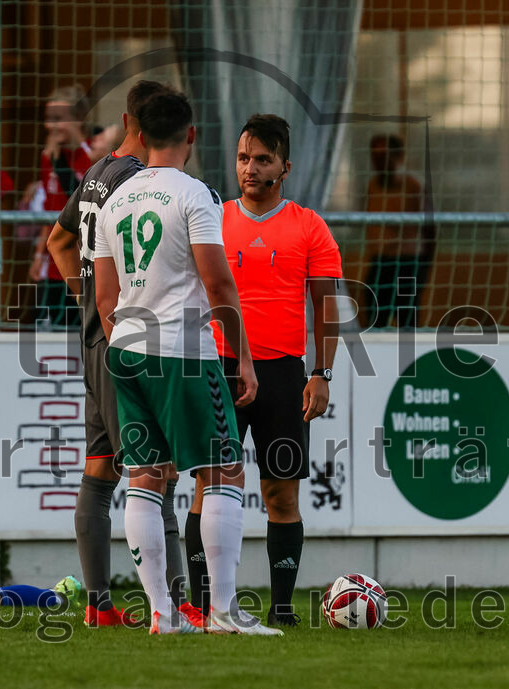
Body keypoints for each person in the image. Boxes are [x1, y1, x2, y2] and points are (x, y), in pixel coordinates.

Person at [93, 87, 281, 635]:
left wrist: (129, 338)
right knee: (224, 470)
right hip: (180, 350)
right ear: (191, 137)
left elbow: (105, 299)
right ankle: (222, 612)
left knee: (147, 477)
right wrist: (242, 358)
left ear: (140, 136)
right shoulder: (195, 195)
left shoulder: (115, 200)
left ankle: (161, 614)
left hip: (125, 348)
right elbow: (219, 282)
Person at [47, 80, 199, 628]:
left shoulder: (96, 175)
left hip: (94, 336)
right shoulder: (141, 183)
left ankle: (98, 605)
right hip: (128, 340)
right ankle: (178, 603)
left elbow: (57, 241)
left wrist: (85, 296)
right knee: (156, 473)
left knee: (100, 469)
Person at [185, 114, 342, 628]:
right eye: (243, 158)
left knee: (280, 492)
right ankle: (203, 602)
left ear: (285, 167)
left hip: (281, 374)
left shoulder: (308, 226)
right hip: (218, 369)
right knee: (209, 485)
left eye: (262, 160)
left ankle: (281, 607)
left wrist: (322, 373)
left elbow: (327, 307)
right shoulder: (212, 217)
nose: (249, 169)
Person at [28, 85, 114, 329]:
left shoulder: (97, 153)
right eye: (48, 119)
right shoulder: (49, 156)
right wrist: (38, 256)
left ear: (78, 119)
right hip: (54, 264)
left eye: (58, 119)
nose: (51, 126)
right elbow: (50, 210)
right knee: (47, 332)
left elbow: (79, 199)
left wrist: (60, 160)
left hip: (86, 265)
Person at [361, 133, 434, 329]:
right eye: (374, 156)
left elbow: (430, 229)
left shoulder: (413, 186)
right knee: (375, 314)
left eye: (384, 155)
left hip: (407, 262)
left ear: (398, 156)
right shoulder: (373, 186)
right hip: (381, 261)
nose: (378, 161)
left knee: (407, 317)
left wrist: (425, 265)